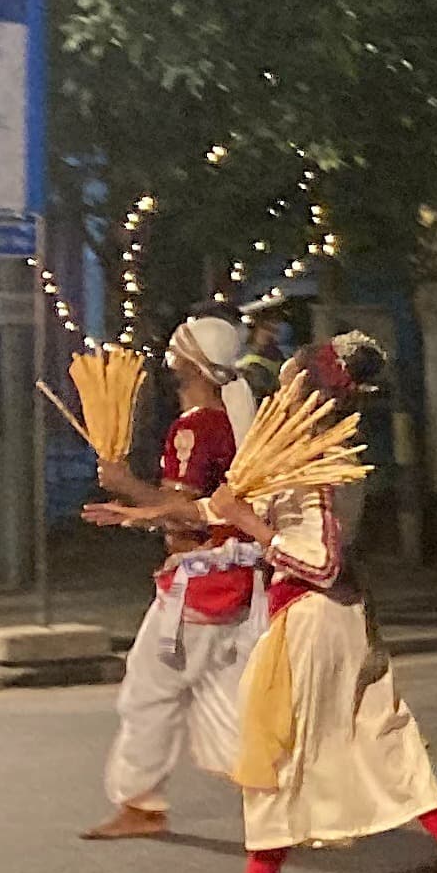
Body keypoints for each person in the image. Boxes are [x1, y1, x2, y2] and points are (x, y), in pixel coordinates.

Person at [87, 334, 437, 873]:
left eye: (287, 384)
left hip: (315, 621)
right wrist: (144, 514)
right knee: (380, 743)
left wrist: (247, 521)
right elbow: (226, 511)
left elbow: (317, 562)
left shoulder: (325, 465)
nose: (273, 394)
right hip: (335, 620)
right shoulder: (305, 453)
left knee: (275, 760)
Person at [79, 314, 262, 841]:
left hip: (201, 586)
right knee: (234, 703)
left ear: (192, 363)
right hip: (237, 580)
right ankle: (298, 797)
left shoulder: (195, 428)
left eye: (178, 349)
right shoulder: (233, 422)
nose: (169, 358)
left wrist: (125, 484)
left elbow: (185, 511)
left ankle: (140, 803)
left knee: (148, 690)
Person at [236, 310, 287, 407]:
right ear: (255, 331)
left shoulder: (278, 355)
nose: (270, 334)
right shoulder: (250, 365)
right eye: (266, 329)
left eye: (274, 330)